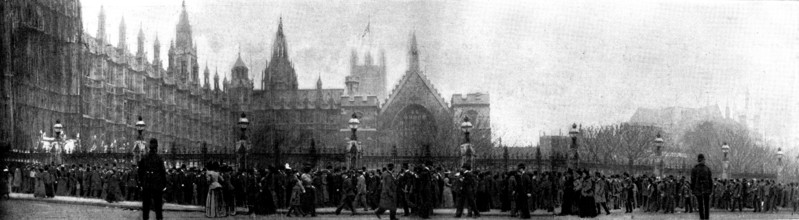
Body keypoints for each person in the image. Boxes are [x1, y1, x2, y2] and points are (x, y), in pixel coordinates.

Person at [139, 138, 167, 220]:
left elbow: (140, 172)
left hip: (147, 184)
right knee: (158, 208)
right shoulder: (159, 158)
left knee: (146, 207)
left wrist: (141, 183)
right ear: (156, 147)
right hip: (157, 185)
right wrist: (164, 185)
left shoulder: (145, 158)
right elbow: (163, 172)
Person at [691, 154, 712, 220]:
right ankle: (706, 218)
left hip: (698, 189)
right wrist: (711, 189)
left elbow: (693, 180)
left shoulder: (694, 169)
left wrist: (693, 190)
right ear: (703, 160)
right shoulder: (707, 169)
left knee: (700, 205)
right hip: (706, 189)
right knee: (706, 205)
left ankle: (702, 217)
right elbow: (710, 180)